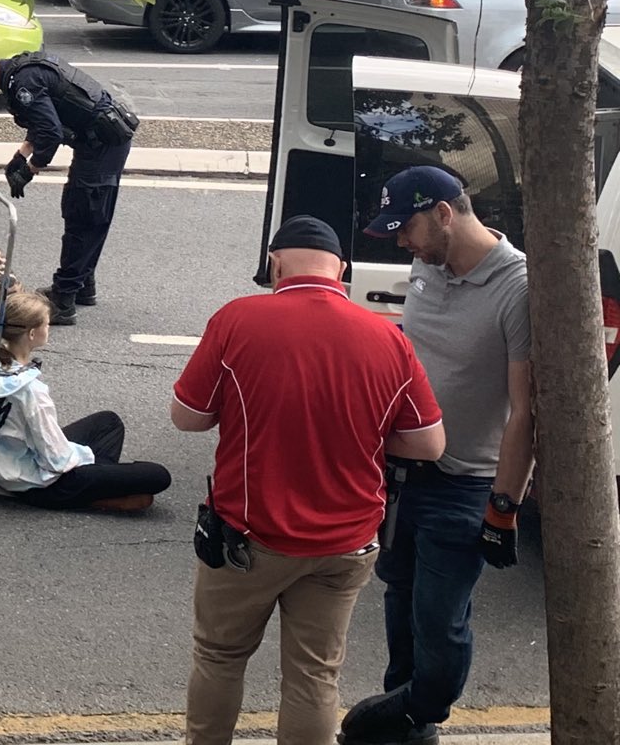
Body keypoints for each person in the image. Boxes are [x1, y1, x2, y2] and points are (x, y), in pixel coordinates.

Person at [172, 215, 447, 745]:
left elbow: (188, 416)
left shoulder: (237, 320)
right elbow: (429, 443)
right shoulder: (386, 337)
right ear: (341, 270)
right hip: (345, 544)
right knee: (315, 677)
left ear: (276, 264)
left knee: (220, 658)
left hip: (248, 540)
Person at [339, 167, 534, 745]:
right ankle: (408, 725)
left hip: (464, 483)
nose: (403, 245)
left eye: (408, 229)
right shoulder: (428, 266)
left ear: (446, 213)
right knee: (398, 598)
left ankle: (415, 707)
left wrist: (505, 506)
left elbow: (525, 410)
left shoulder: (517, 288)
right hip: (399, 475)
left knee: (439, 622)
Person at [0, 45, 138, 324]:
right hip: (97, 141)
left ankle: (64, 300)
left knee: (84, 215)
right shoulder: (20, 71)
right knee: (80, 211)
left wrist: (31, 169)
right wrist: (21, 154)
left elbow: (51, 133)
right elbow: (43, 117)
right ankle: (81, 285)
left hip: (102, 144)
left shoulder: (21, 80)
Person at [0, 289, 171, 511]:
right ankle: (88, 494)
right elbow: (56, 458)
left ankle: (101, 484)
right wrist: (87, 459)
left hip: (5, 465)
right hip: (35, 484)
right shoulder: (30, 390)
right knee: (158, 475)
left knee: (109, 422)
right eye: (46, 323)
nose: (48, 327)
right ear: (32, 334)